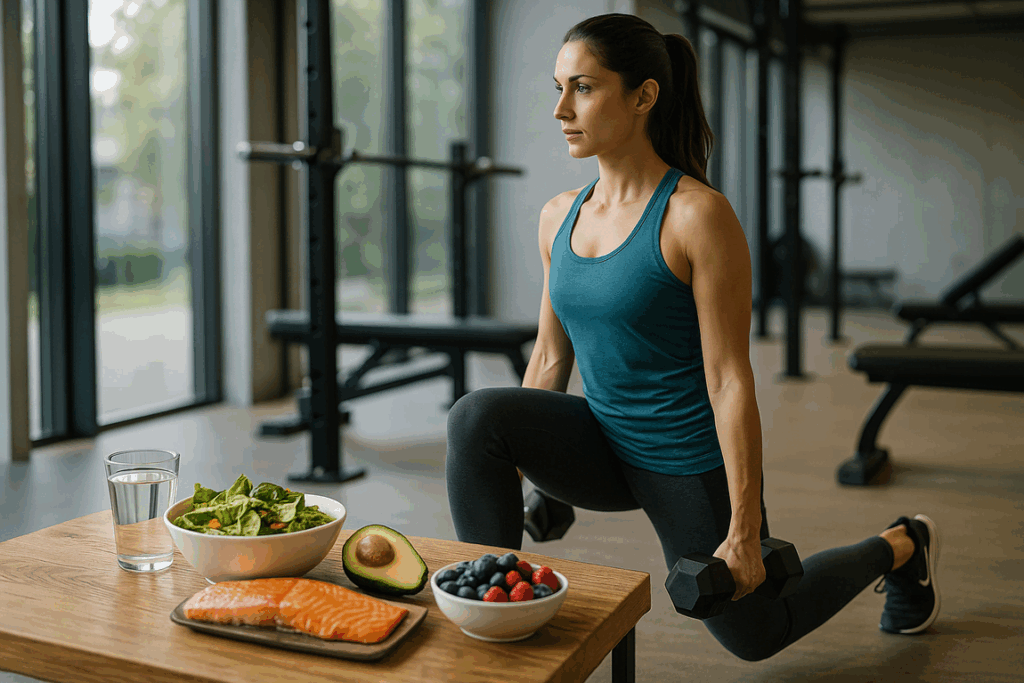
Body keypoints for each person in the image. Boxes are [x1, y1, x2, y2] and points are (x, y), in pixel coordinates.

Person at [444, 13, 940, 661]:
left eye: (584, 88)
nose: (562, 108)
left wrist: (743, 527)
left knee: (755, 634)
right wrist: (540, 483)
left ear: (644, 96)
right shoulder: (558, 215)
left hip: (681, 459)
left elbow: (730, 379)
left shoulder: (696, 215)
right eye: (558, 87)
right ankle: (492, 605)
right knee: (479, 414)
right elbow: (549, 356)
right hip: (599, 440)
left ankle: (901, 544)